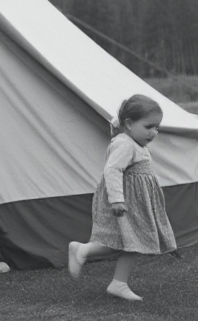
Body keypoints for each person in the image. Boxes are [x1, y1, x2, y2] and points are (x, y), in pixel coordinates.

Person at [68, 94, 177, 302]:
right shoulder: (124, 144)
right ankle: (82, 250)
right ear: (128, 123)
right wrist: (117, 200)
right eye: (149, 127)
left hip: (134, 204)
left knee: (131, 242)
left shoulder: (134, 144)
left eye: (157, 128)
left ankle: (119, 283)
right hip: (123, 204)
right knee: (125, 241)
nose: (154, 132)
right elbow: (113, 170)